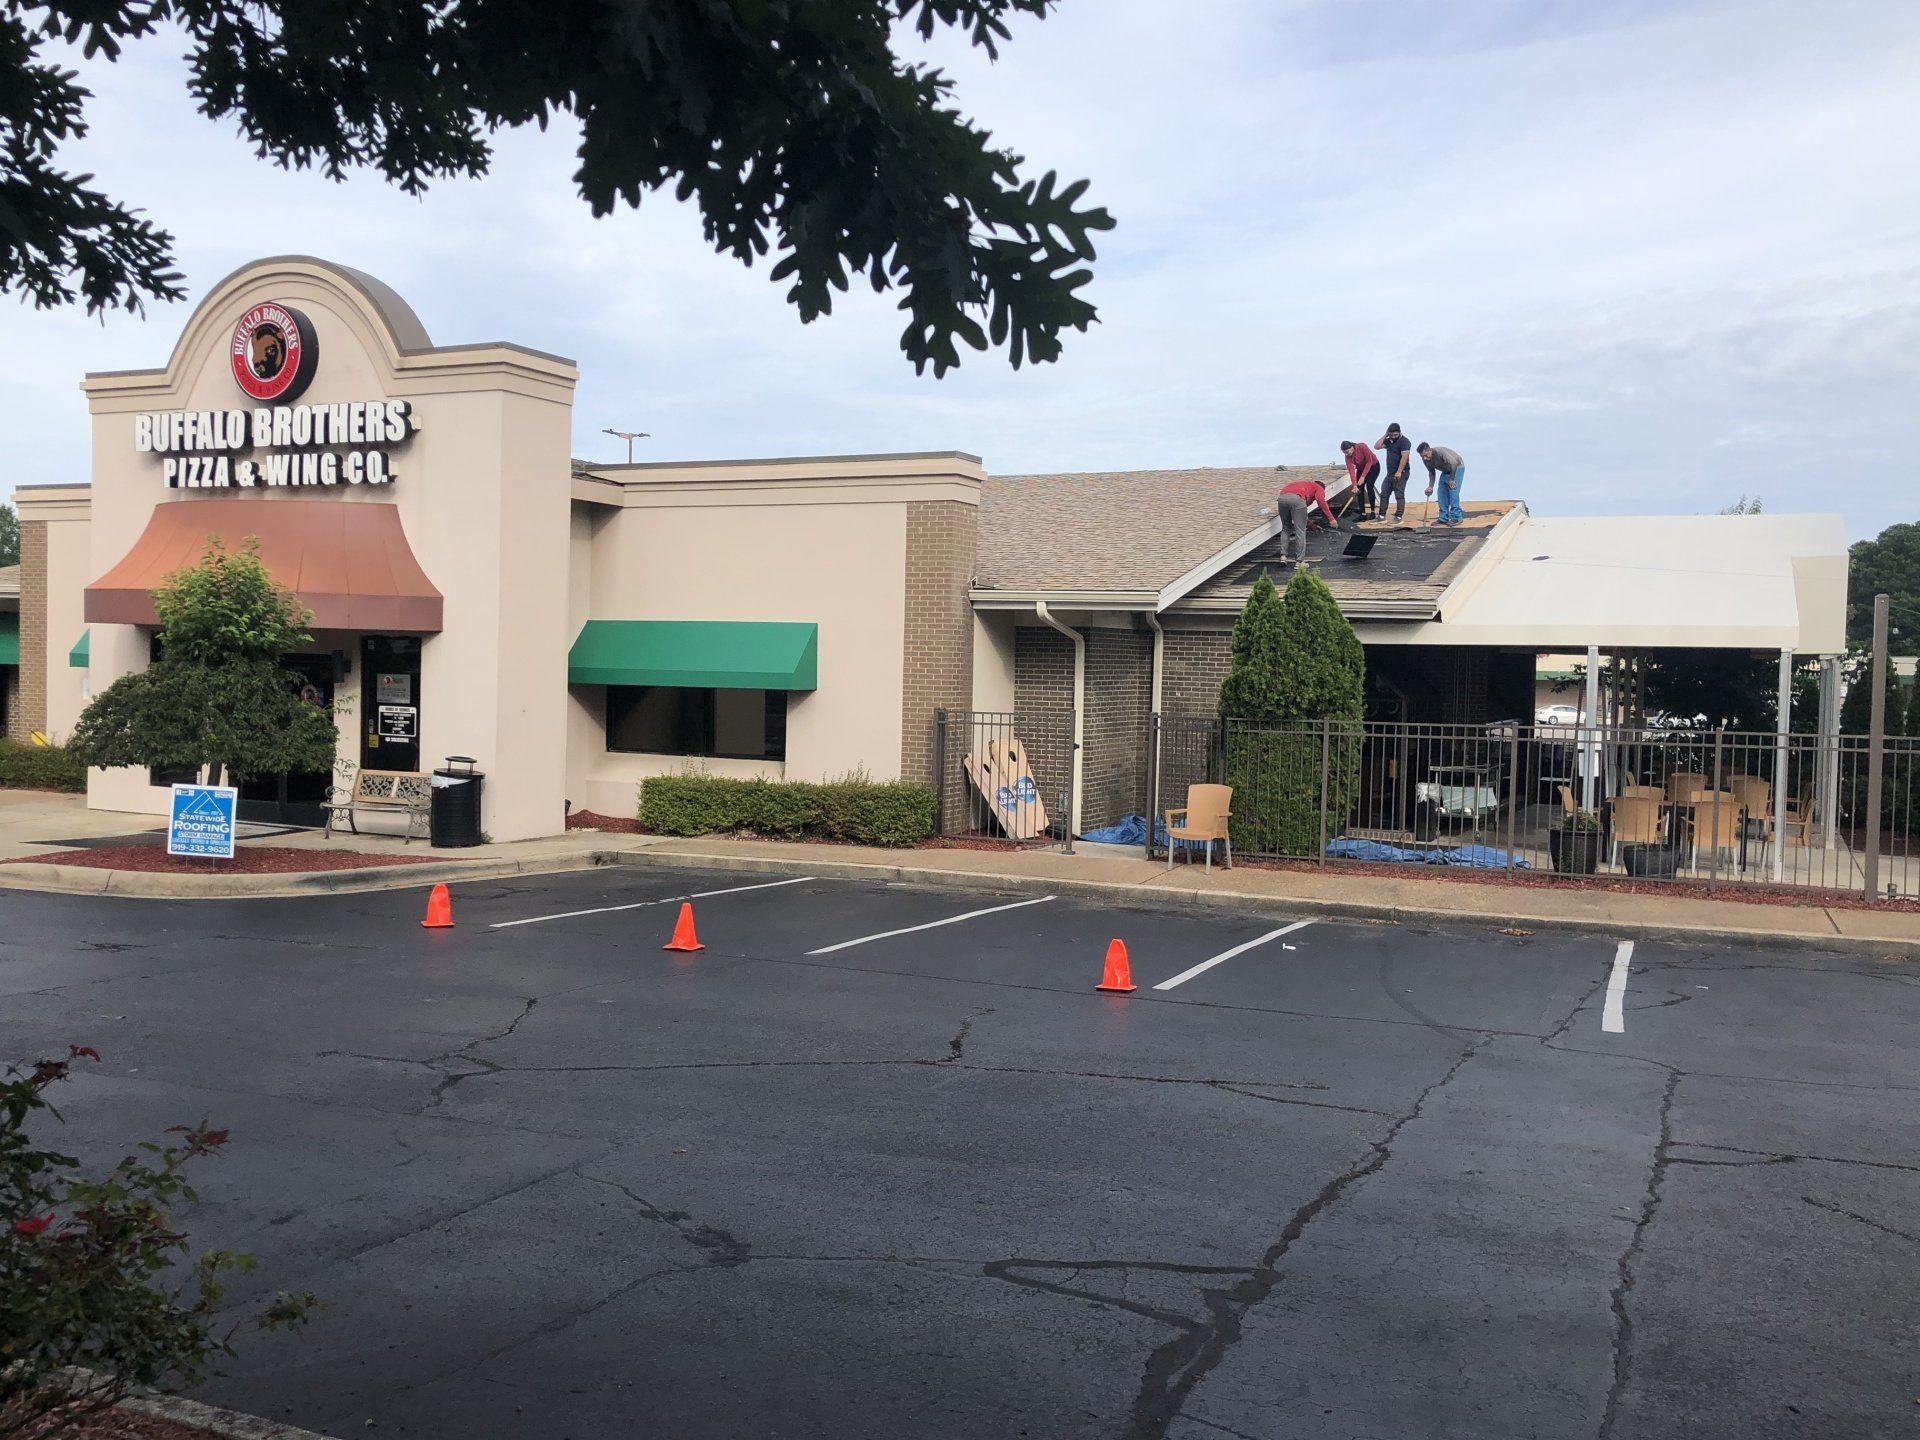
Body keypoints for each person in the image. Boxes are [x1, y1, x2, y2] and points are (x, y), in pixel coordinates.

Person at [1276, 476, 1336, 563]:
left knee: (1286, 528)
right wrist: (1331, 519)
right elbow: (1321, 501)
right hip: (1297, 499)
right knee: (1300, 531)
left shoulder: (1303, 485)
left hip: (1282, 498)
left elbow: (1301, 516)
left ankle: (1283, 557)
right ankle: (1299, 562)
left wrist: (1312, 526)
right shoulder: (1318, 487)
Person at [1417, 441, 1466, 525]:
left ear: (1429, 450)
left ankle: (1456, 517)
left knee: (1452, 489)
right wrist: (1430, 486)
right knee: (1441, 491)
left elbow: (1454, 464)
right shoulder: (1426, 460)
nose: (1424, 458)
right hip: (1446, 470)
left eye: (1425, 455)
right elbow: (1431, 472)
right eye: (1422, 456)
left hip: (1457, 467)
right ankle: (1443, 518)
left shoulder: (1440, 452)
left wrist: (1451, 479)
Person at [1373, 423, 1412, 521]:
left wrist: (1399, 471)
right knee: (1384, 493)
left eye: (1395, 435)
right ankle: (1381, 516)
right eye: (1391, 435)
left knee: (1399, 493)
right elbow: (1377, 446)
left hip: (1402, 472)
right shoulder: (1389, 440)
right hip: (1390, 473)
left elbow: (1404, 457)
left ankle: (1398, 516)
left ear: (1399, 432)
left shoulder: (1405, 441)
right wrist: (1386, 435)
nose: (1393, 437)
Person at [1339, 440, 1381, 520]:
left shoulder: (1362, 446)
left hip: (1373, 466)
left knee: (1369, 486)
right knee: (1359, 489)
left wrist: (1363, 476)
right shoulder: (1347, 457)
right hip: (1361, 469)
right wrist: (1354, 485)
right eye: (1344, 453)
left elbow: (1369, 461)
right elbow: (1351, 470)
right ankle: (1363, 513)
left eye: (1347, 452)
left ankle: (1372, 511)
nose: (1347, 454)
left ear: (1352, 447)